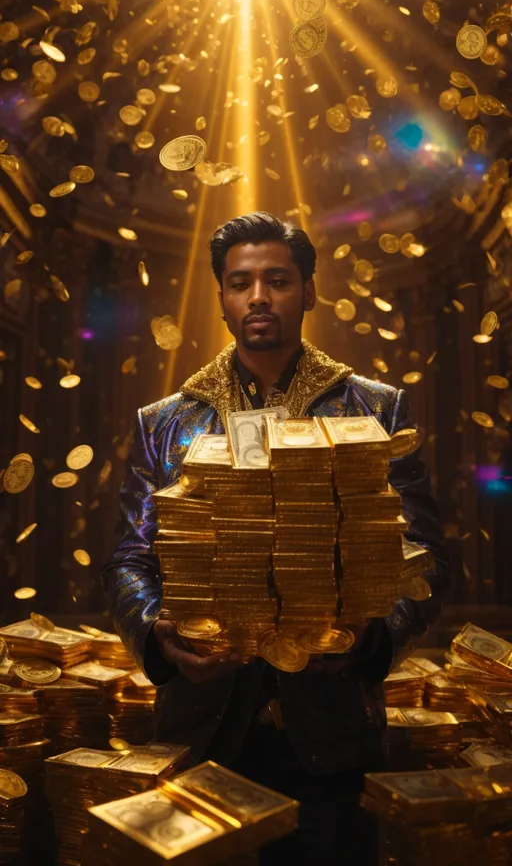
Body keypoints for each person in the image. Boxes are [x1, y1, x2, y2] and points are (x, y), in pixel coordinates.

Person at [102, 212, 450, 865]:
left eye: (277, 280)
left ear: (309, 291)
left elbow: (426, 560)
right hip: (201, 729)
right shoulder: (164, 421)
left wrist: (372, 639)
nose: (258, 296)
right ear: (224, 300)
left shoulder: (374, 409)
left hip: (334, 733)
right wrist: (158, 633)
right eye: (241, 283)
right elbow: (127, 555)